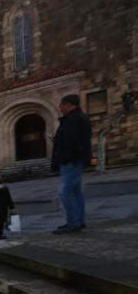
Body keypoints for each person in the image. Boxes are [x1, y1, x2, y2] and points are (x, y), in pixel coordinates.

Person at [51, 93, 91, 234]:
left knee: (66, 191)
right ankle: (78, 221)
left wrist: (63, 157)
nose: (60, 108)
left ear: (68, 105)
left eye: (61, 105)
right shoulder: (77, 118)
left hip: (71, 161)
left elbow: (71, 142)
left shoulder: (74, 120)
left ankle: (73, 223)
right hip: (75, 160)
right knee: (75, 191)